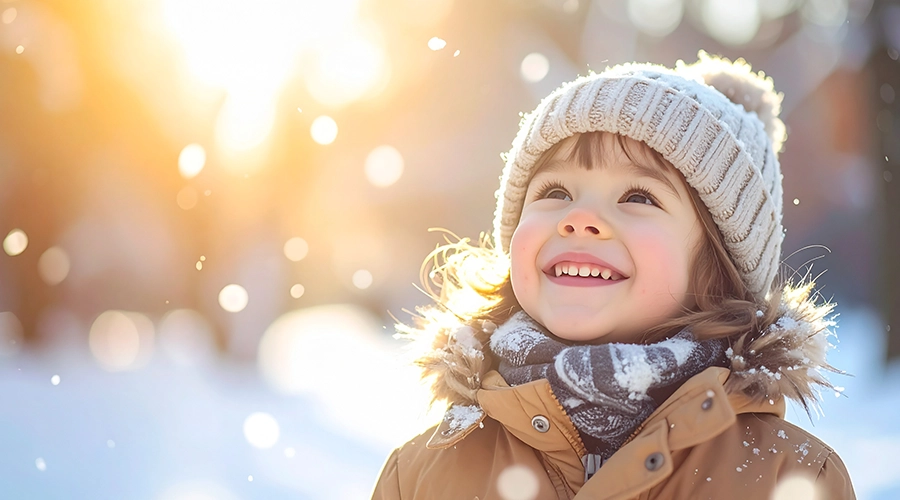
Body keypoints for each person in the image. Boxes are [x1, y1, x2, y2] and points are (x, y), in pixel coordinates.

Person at [371, 52, 856, 499]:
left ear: (718, 268)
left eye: (638, 198)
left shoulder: (790, 477)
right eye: (556, 190)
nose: (579, 218)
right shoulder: (423, 474)